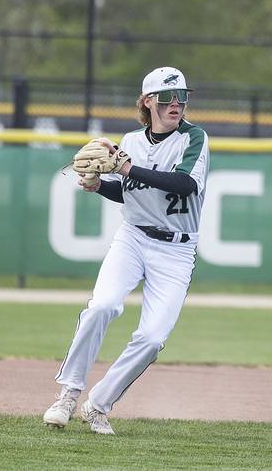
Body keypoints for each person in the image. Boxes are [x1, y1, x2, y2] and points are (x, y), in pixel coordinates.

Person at [42, 66, 209, 435]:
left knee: (151, 338)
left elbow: (182, 185)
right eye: (167, 97)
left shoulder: (194, 138)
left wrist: (127, 167)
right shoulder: (131, 141)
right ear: (148, 101)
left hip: (177, 251)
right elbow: (130, 191)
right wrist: (100, 184)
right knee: (102, 306)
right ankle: (67, 395)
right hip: (133, 237)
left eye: (183, 96)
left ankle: (98, 405)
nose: (176, 103)